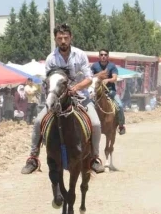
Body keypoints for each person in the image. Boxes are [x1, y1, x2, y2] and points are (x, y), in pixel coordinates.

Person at [21, 23, 105, 174]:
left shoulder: (80, 55)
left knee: (96, 123)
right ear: (55, 39)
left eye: (66, 38)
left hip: (80, 97)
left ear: (71, 37)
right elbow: (48, 82)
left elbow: (89, 79)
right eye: (60, 38)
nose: (63, 41)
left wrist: (75, 89)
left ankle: (94, 157)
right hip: (57, 99)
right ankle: (33, 158)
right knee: (38, 121)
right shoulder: (51, 59)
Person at [90, 49, 126, 135]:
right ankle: (88, 125)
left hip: (110, 92)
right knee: (88, 106)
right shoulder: (94, 66)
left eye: (105, 55)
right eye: (101, 55)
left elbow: (115, 78)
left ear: (108, 56)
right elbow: (89, 76)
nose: (103, 56)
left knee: (120, 106)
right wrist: (99, 75)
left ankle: (121, 126)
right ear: (99, 56)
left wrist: (107, 80)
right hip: (97, 93)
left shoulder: (112, 66)